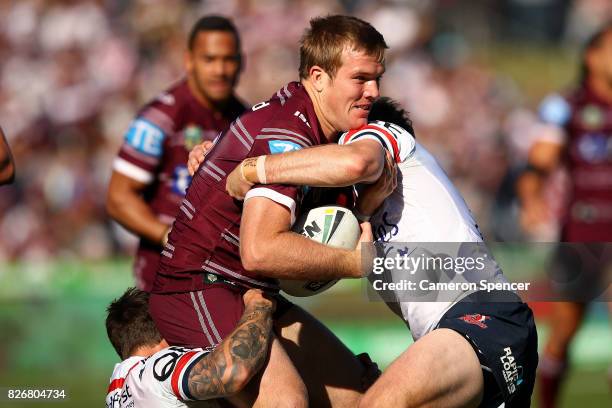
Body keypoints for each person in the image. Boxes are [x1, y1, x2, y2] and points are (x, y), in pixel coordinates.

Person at [202, 97, 538, 407]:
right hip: (449, 337)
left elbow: (354, 161)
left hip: (484, 318)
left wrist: (251, 168)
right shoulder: (358, 223)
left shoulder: (382, 134)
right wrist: (216, 165)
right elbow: (294, 270)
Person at [151, 15, 388, 407]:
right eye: (360, 79)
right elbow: (260, 250)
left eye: (378, 78)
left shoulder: (307, 122)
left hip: (248, 291)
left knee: (362, 394)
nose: (373, 91)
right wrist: (352, 264)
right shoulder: (289, 136)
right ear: (318, 77)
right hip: (200, 286)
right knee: (286, 401)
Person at [106, 15, 246, 292]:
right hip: (163, 278)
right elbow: (118, 197)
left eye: (228, 59)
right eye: (209, 59)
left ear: (241, 62)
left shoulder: (246, 120)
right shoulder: (161, 118)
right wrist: (168, 235)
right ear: (189, 60)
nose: (219, 70)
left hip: (221, 277)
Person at [516, 23, 612, 408]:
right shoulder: (567, 105)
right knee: (564, 335)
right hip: (581, 237)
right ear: (591, 57)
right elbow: (538, 164)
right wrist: (532, 198)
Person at [105, 287, 275, 408]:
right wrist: (258, 305)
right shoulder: (157, 369)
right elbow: (232, 372)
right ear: (165, 325)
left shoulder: (118, 389)